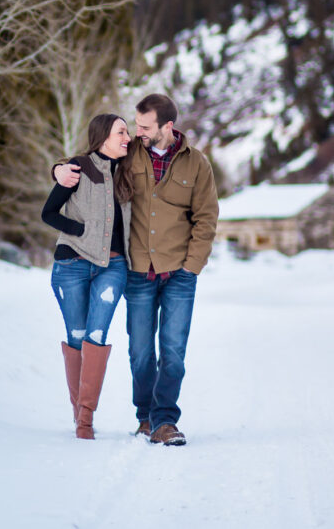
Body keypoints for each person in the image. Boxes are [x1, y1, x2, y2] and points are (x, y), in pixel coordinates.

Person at [53, 94, 217, 446]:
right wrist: (58, 169)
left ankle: (164, 421)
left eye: (144, 126)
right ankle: (145, 416)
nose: (137, 132)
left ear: (167, 126)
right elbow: (91, 158)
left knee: (173, 352)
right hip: (138, 272)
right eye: (135, 126)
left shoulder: (196, 164)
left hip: (179, 273)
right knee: (141, 352)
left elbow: (206, 217)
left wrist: (192, 266)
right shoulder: (130, 155)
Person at [40, 113, 132, 440]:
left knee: (96, 334)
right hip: (72, 265)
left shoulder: (129, 171)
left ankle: (86, 420)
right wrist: (81, 231)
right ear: (103, 136)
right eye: (121, 132)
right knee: (77, 336)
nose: (128, 138)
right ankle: (78, 413)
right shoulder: (78, 168)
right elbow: (48, 213)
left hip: (113, 266)